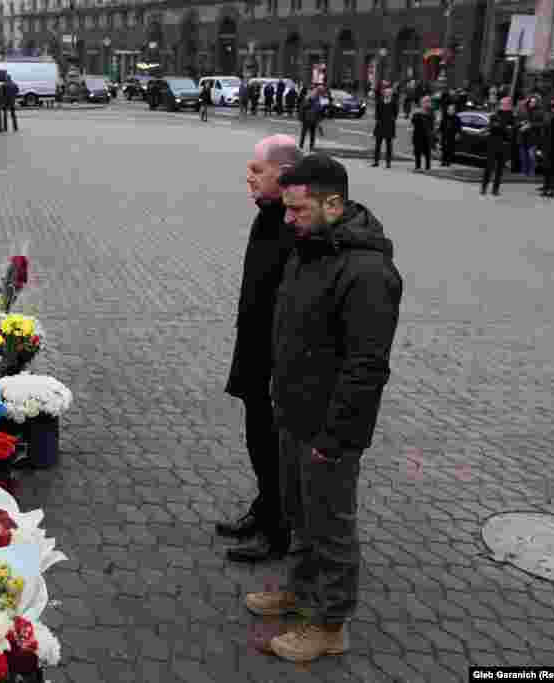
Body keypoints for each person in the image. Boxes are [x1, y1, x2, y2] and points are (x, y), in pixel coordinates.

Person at [245, 153, 402, 664]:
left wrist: (335, 440)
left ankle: (329, 625)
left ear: (333, 203)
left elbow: (366, 369)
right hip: (292, 413)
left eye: (298, 210)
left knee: (331, 527)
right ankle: (300, 591)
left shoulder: (368, 271)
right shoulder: (310, 246)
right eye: (286, 210)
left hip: (328, 430)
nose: (287, 220)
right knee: (299, 514)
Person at [221, 134, 304, 563]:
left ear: (285, 175)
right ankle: (265, 506)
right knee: (257, 435)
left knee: (275, 443)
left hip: (279, 360)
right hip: (255, 348)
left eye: (257, 170)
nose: (248, 178)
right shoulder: (267, 216)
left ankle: (279, 529)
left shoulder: (294, 224)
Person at [481, 96, 516, 196]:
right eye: (503, 103)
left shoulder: (512, 117)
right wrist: (502, 127)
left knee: (500, 169)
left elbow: (511, 130)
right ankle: (484, 187)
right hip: (493, 143)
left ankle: (495, 189)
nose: (504, 105)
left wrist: (501, 127)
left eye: (506, 103)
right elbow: (493, 127)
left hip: (504, 144)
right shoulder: (495, 115)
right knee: (489, 167)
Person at [518, 96, 545, 177]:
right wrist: (521, 123)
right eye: (531, 101)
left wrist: (531, 125)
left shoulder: (540, 111)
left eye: (534, 102)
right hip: (523, 136)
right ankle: (523, 171)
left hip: (533, 137)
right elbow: (517, 121)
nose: (532, 103)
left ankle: (531, 171)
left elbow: (542, 124)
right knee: (523, 156)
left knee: (531, 156)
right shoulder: (523, 110)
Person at [371, 87, 398, 168]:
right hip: (380, 125)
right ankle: (376, 161)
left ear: (391, 94)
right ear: (384, 93)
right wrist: (377, 119)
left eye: (389, 92)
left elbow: (395, 113)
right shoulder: (380, 101)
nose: (387, 94)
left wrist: (392, 119)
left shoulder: (394, 102)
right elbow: (377, 112)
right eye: (386, 92)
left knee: (389, 145)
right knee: (377, 145)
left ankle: (388, 162)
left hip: (389, 126)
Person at [410, 95, 435, 172]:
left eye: (427, 102)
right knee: (418, 151)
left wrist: (423, 114)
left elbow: (432, 123)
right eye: (424, 102)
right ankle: (418, 167)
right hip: (418, 134)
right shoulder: (417, 111)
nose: (425, 103)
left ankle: (428, 167)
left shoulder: (431, 112)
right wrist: (417, 114)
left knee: (427, 152)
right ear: (421, 103)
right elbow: (413, 121)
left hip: (427, 135)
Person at [298, 87, 324, 152]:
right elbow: (303, 108)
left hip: (313, 119)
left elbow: (319, 110)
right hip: (307, 119)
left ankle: (311, 147)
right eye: (320, 92)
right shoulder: (309, 98)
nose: (320, 94)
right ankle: (301, 146)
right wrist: (301, 118)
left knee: (312, 134)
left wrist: (319, 119)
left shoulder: (318, 99)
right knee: (304, 133)